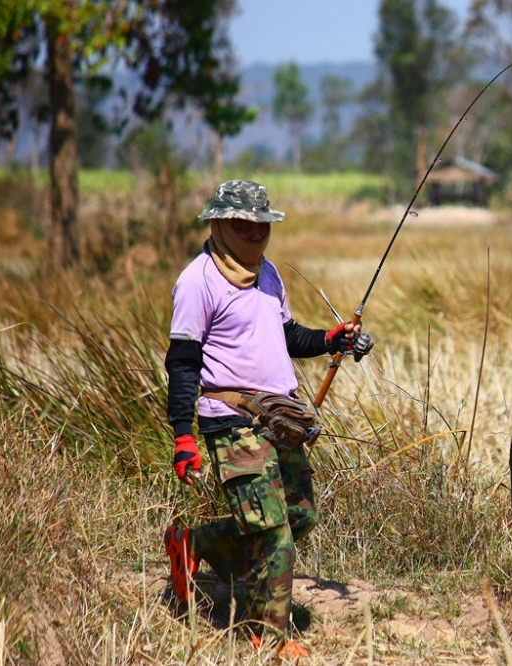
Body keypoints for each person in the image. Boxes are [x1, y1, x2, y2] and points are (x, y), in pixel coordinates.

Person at [162, 179, 373, 658]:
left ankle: (192, 545)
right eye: (243, 224)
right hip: (229, 420)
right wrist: (183, 437)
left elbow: (286, 334)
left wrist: (330, 339)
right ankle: (268, 636)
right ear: (219, 223)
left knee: (297, 517)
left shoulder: (269, 273)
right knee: (272, 530)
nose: (255, 232)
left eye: (262, 224)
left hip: (280, 418)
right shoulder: (197, 282)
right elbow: (182, 363)